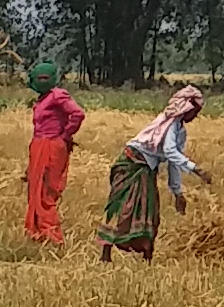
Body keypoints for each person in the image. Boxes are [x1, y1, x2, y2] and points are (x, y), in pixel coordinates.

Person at [98, 85, 205, 261]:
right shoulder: (168, 124)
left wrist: (177, 192)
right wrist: (195, 169)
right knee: (120, 206)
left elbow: (173, 163)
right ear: (187, 108)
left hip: (147, 168)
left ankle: (147, 254)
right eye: (195, 111)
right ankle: (106, 253)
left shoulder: (179, 131)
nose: (195, 116)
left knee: (149, 209)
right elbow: (171, 152)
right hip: (131, 163)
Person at [24, 59, 87, 242]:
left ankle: (51, 235)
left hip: (52, 146)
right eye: (39, 78)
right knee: (35, 187)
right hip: (38, 145)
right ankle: (37, 232)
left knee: (47, 191)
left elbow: (77, 114)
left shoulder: (58, 95)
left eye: (45, 77)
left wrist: (65, 135)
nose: (41, 81)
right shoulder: (42, 99)